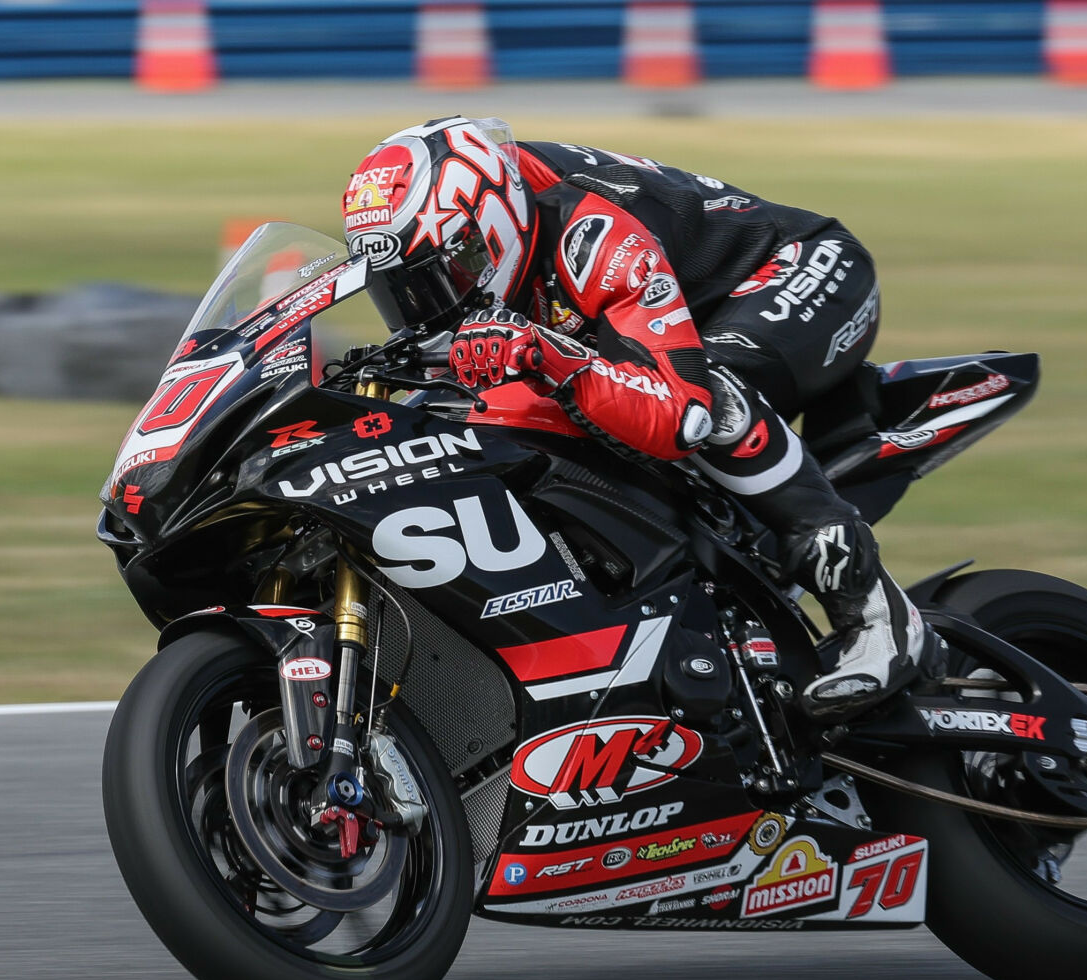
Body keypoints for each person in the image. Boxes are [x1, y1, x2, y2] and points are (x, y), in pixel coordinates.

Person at [340, 116, 943, 718]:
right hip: (650, 323)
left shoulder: (594, 232)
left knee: (713, 397)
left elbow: (682, 413)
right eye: (399, 292)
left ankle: (874, 611)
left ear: (490, 233)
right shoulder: (484, 229)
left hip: (795, 271)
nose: (424, 308)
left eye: (437, 280)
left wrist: (546, 350)